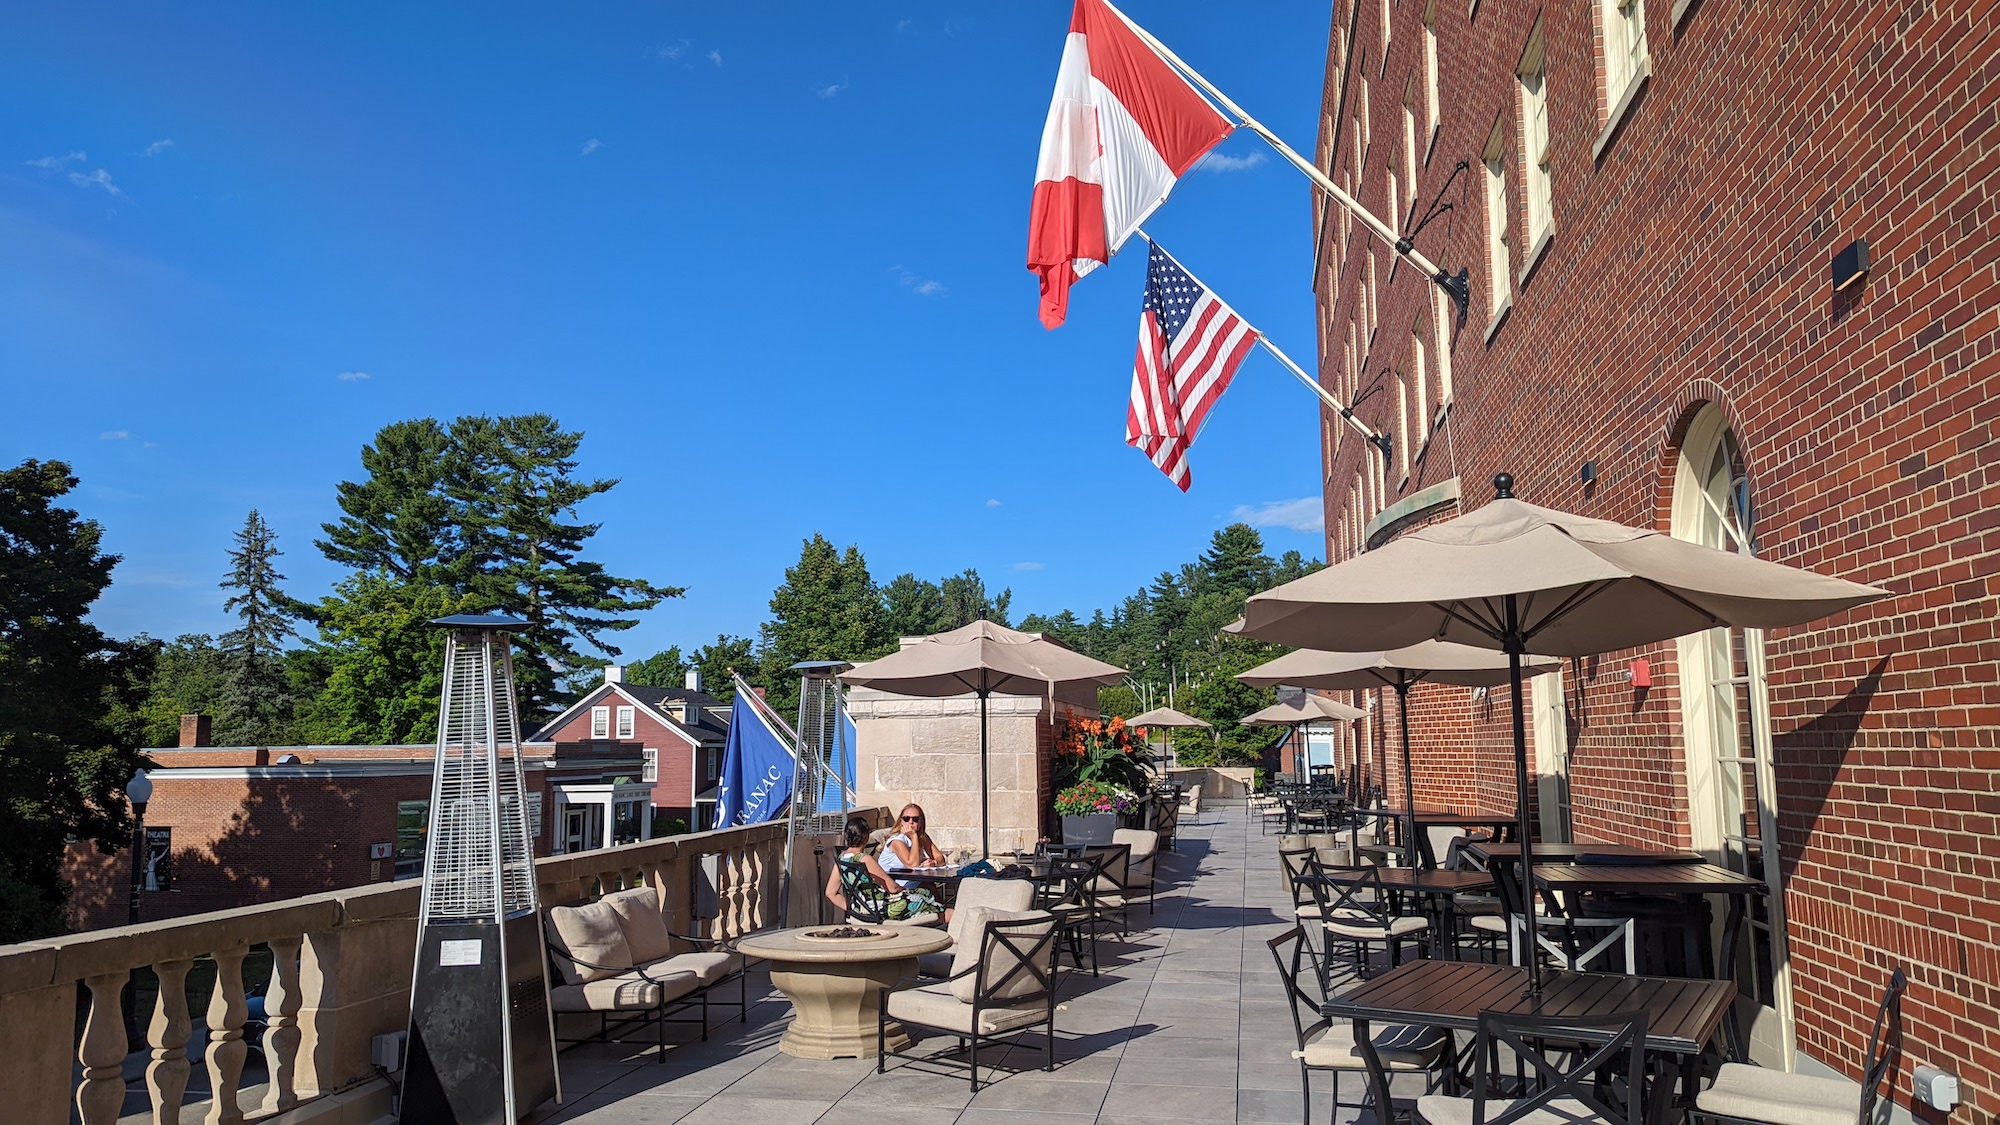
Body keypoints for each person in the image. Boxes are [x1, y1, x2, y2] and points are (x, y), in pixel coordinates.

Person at [824, 815, 947, 923]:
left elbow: (830, 893)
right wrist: (905, 890)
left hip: (863, 910)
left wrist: (855, 908)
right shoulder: (864, 859)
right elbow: (892, 888)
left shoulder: (841, 860)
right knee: (926, 897)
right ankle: (947, 923)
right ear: (866, 836)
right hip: (883, 909)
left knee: (924, 893)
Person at [880, 803, 949, 889]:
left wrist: (933, 863)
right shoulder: (897, 840)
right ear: (901, 821)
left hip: (914, 882)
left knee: (930, 886)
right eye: (906, 818)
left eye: (915, 819)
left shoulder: (922, 837)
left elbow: (940, 858)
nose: (910, 822)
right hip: (895, 886)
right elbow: (912, 865)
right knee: (929, 887)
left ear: (921, 822)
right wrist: (913, 836)